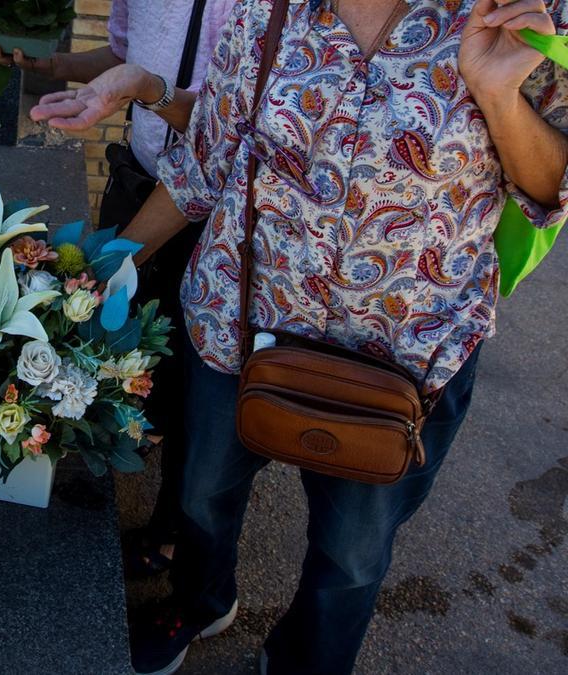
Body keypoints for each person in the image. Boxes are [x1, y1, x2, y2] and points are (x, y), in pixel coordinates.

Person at [119, 0, 568, 673]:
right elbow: (205, 162)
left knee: (353, 554)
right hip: (241, 328)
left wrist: (499, 96)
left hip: (407, 357)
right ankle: (203, 597)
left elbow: (550, 185)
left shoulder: (518, 14)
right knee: (200, 492)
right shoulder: (265, 10)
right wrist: (105, 262)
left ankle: (305, 660)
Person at [0, 0, 236, 580]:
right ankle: (137, 431)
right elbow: (121, 55)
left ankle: (173, 526)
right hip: (141, 180)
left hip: (226, 213)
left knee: (205, 380)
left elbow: (232, 126)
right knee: (124, 340)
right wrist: (47, 63)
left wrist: (147, 89)